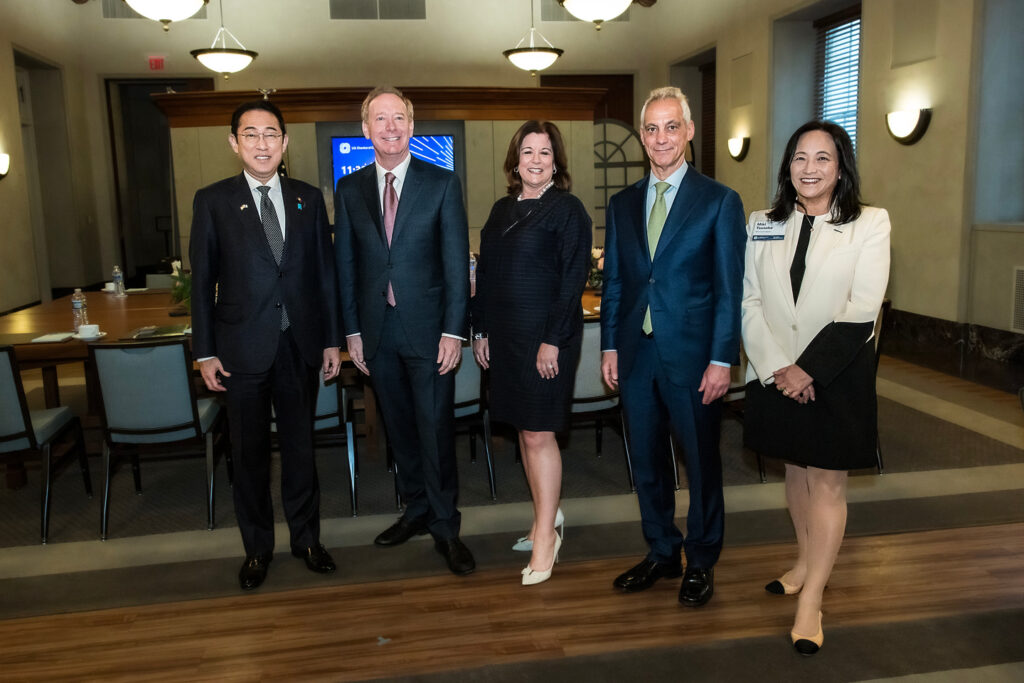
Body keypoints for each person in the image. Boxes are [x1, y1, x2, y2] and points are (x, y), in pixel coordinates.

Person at [741, 121, 890, 655]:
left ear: (841, 166)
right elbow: (750, 302)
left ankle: (812, 601)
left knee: (827, 484)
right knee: (795, 471)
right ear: (787, 167)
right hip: (776, 374)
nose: (809, 168)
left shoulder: (870, 223)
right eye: (800, 158)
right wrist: (779, 366)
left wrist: (807, 369)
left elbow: (863, 309)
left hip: (836, 375)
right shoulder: (762, 222)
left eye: (822, 158)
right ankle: (805, 562)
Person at [600, 86, 745, 607]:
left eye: (671, 127)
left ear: (687, 132)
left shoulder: (720, 201)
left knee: (702, 463)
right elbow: (617, 281)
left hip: (694, 358)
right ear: (643, 137)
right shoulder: (621, 204)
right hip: (636, 357)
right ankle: (662, 550)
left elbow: (730, 289)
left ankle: (702, 561)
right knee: (646, 459)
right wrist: (611, 347)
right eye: (652, 129)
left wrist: (721, 357)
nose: (661, 138)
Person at [190, 100, 341, 591]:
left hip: (299, 347)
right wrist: (205, 351)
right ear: (234, 142)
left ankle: (307, 540)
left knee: (300, 452)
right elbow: (202, 284)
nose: (261, 143)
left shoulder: (308, 199)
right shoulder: (212, 201)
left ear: (285, 141)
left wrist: (333, 341)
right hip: (240, 352)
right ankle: (257, 549)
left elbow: (325, 276)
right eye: (250, 134)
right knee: (249, 455)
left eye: (271, 134)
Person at [334, 86, 475, 576]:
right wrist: (351, 330)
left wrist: (454, 332)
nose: (390, 127)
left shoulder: (441, 183)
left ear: (412, 127)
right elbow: (346, 266)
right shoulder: (349, 189)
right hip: (376, 335)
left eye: (399, 118)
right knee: (399, 429)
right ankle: (416, 509)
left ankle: (445, 526)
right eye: (380, 119)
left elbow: (457, 265)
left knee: (435, 430)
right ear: (365, 129)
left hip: (431, 332)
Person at [471, 121, 591, 586]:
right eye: (528, 151)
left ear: (556, 162)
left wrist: (553, 340)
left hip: (546, 341)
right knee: (524, 432)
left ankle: (546, 536)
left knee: (540, 434)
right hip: (504, 338)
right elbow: (486, 275)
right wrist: (479, 329)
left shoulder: (567, 210)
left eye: (545, 152)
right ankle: (547, 516)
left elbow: (571, 281)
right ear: (514, 160)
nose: (536, 160)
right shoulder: (501, 211)